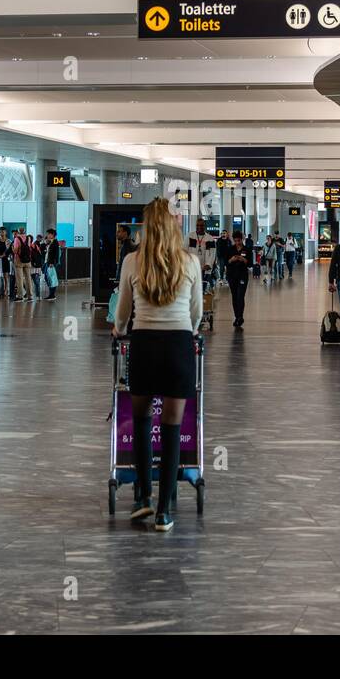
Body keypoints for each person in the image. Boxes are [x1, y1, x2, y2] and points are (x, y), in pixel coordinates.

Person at [111, 198, 202, 533]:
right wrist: (189, 329)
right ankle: (165, 512)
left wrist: (119, 329)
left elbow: (122, 310)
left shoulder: (133, 261)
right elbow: (196, 312)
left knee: (141, 419)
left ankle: (142, 498)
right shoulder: (189, 262)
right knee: (172, 429)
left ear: (147, 227)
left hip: (144, 345)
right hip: (179, 347)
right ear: (174, 225)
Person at [216, 230, 252, 329]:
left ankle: (240, 316)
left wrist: (243, 260)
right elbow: (225, 263)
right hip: (232, 276)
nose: (237, 243)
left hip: (242, 276)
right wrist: (231, 260)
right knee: (234, 297)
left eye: (239, 240)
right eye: (235, 240)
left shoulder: (247, 250)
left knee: (240, 296)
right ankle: (237, 317)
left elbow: (250, 264)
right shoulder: (230, 249)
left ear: (242, 239)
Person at [38, 229, 59, 301]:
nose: (47, 235)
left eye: (48, 234)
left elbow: (56, 254)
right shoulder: (50, 242)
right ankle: (51, 294)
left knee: (51, 278)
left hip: (50, 263)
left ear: (52, 234)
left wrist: (52, 263)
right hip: (47, 262)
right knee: (48, 278)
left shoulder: (55, 243)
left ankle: (52, 294)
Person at [13, 229, 33, 300]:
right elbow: (29, 248)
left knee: (19, 279)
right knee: (28, 278)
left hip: (19, 260)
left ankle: (20, 296)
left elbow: (15, 250)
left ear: (18, 232)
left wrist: (13, 248)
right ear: (25, 232)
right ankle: (30, 296)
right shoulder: (28, 238)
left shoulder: (16, 239)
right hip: (27, 261)